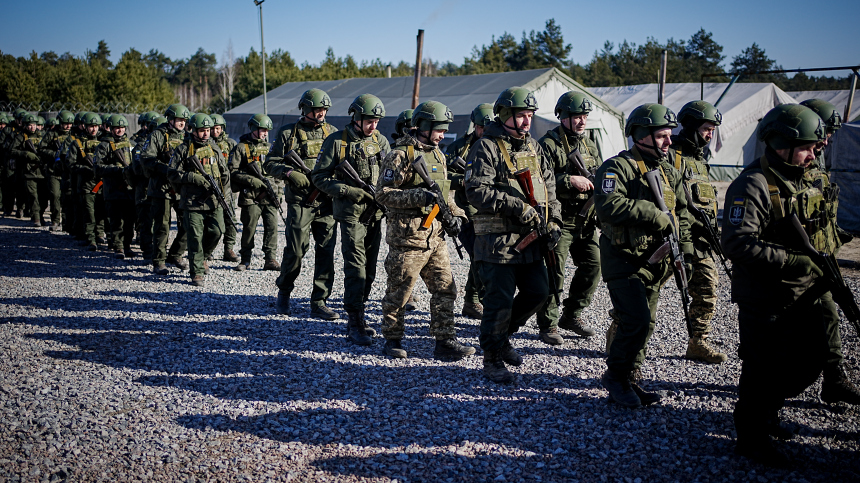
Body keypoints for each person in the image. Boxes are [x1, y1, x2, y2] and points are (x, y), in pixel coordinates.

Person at [721, 104, 841, 465]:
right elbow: (738, 243)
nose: (813, 153)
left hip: (803, 292)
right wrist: (793, 260)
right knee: (762, 368)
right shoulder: (753, 184)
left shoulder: (801, 178)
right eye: (807, 147)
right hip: (764, 295)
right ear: (782, 143)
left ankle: (768, 410)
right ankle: (751, 437)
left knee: (811, 357)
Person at [593, 103, 692, 408]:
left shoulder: (669, 172)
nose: (669, 141)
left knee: (645, 324)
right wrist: (653, 213)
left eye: (669, 135)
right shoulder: (615, 168)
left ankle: (630, 381)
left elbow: (683, 213)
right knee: (636, 319)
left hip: (655, 261)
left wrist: (685, 247)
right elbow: (608, 206)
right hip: (623, 259)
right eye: (662, 135)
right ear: (641, 135)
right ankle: (616, 377)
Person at [464, 87, 562, 383]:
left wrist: (554, 219)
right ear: (505, 115)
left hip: (532, 239)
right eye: (521, 115)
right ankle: (492, 356)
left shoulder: (533, 147)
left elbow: (549, 186)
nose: (526, 121)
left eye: (530, 116)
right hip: (497, 242)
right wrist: (517, 207)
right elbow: (476, 190)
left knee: (539, 292)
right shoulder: (487, 147)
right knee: (499, 300)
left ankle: (503, 335)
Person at [375, 100, 476, 361]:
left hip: (436, 238)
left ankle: (445, 341)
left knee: (445, 289)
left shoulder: (438, 154)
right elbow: (383, 194)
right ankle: (393, 339)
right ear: (424, 126)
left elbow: (445, 195)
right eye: (439, 129)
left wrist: (458, 216)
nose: (443, 135)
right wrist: (419, 196)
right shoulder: (400, 155)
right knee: (399, 292)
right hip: (408, 239)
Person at [312, 94, 390, 344]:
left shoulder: (381, 141)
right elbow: (320, 177)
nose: (373, 126)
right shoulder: (337, 142)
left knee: (370, 269)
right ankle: (354, 320)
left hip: (376, 214)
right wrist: (349, 191)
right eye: (369, 120)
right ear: (356, 117)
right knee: (355, 267)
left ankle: (361, 313)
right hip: (351, 215)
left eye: (376, 121)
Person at [797, 99, 860, 404]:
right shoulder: (792, 163)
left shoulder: (816, 163)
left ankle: (835, 377)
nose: (827, 140)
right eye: (824, 133)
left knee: (830, 313)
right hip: (798, 263)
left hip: (822, 256)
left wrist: (836, 236)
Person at [535, 91, 602, 345]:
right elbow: (541, 180)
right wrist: (569, 180)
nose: (582, 121)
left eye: (585, 116)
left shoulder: (589, 144)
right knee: (555, 271)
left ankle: (572, 315)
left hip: (586, 219)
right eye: (577, 116)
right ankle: (548, 325)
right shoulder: (548, 144)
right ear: (563, 116)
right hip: (560, 218)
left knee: (594, 266)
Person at [266, 89, 340, 319]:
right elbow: (269, 164)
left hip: (326, 202)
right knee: (296, 250)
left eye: (324, 110)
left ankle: (319, 301)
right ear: (305, 109)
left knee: (326, 252)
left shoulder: (333, 133)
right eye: (317, 109)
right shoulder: (288, 132)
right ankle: (284, 292)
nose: (321, 114)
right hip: (301, 202)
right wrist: (288, 173)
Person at [670, 100, 728, 363]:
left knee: (707, 290)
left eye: (713, 129)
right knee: (643, 291)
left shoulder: (701, 160)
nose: (710, 134)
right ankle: (619, 338)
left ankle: (697, 342)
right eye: (707, 128)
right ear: (692, 126)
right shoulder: (671, 154)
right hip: (671, 238)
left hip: (700, 240)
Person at [167, 114, 230, 287]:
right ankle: (197, 272)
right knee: (195, 236)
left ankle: (202, 257)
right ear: (193, 130)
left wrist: (225, 196)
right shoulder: (183, 149)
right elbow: (171, 173)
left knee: (217, 231)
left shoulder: (215, 148)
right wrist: (192, 177)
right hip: (192, 202)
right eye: (202, 131)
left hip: (213, 200)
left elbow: (224, 174)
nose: (205, 134)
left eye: (208, 130)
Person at [446, 103, 494, 320]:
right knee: (478, 254)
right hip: (465, 211)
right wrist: (466, 180)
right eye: (480, 127)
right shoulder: (458, 148)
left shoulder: (496, 148)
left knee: (484, 257)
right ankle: (479, 300)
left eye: (488, 127)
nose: (484, 131)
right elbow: (443, 179)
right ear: (475, 126)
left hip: (491, 211)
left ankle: (472, 300)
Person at [142, 104, 190, 274]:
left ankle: (176, 254)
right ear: (170, 119)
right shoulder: (158, 135)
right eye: (179, 120)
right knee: (162, 226)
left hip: (180, 188)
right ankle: (159, 261)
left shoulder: (187, 136)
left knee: (187, 223)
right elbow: (146, 158)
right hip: (160, 188)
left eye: (184, 120)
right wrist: (166, 168)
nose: (182, 123)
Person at [230, 113, 280, 272]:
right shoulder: (241, 148)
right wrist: (252, 180)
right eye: (260, 129)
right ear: (252, 128)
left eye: (266, 130)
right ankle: (245, 259)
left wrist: (278, 190)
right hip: (250, 196)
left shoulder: (272, 147)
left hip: (270, 195)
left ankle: (270, 259)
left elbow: (278, 170)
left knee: (272, 227)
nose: (264, 133)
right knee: (249, 228)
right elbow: (233, 171)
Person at [94, 114, 136, 258]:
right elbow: (98, 168)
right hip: (113, 189)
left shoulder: (131, 145)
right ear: (110, 129)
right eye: (117, 128)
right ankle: (118, 247)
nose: (119, 130)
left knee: (129, 221)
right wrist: (116, 169)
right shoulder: (104, 145)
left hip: (129, 189)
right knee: (116, 220)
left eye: (122, 128)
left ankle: (127, 245)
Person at [65, 112, 107, 250]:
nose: (93, 129)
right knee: (89, 212)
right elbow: (70, 164)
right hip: (86, 184)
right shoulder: (77, 143)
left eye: (96, 126)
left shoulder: (104, 142)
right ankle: (90, 238)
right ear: (84, 126)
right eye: (90, 126)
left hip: (101, 183)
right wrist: (85, 169)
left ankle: (99, 234)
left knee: (101, 211)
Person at [209, 113, 239, 262]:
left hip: (227, 189)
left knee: (231, 219)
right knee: (212, 222)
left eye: (218, 128)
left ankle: (229, 248)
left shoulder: (230, 144)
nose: (215, 131)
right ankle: (207, 249)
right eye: (213, 128)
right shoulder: (205, 144)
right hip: (210, 189)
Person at [39, 110, 75, 232]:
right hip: (54, 170)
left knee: (66, 197)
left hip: (67, 171)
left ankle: (66, 221)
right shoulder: (51, 134)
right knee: (55, 195)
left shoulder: (73, 135)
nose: (68, 126)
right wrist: (55, 154)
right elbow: (41, 148)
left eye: (70, 123)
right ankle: (55, 219)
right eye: (65, 123)